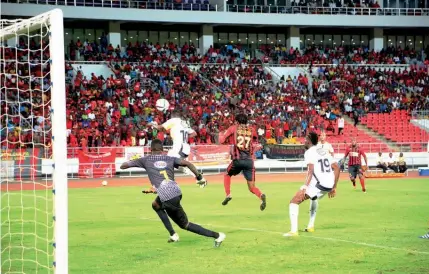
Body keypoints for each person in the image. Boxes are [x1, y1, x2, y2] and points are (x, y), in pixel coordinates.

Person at [120, 139, 226, 247]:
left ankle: (217, 235)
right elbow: (188, 163)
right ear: (162, 149)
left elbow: (123, 166)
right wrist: (199, 177)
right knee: (155, 205)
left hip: (168, 197)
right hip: (176, 191)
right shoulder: (169, 158)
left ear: (150, 149)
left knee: (185, 225)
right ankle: (173, 234)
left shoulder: (145, 160)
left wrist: (134, 160)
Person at [283, 132, 340, 237]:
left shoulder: (309, 152)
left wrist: (305, 186)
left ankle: (293, 231)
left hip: (319, 184)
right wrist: (334, 186)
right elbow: (336, 167)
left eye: (305, 139)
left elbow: (310, 170)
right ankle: (310, 226)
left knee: (294, 201)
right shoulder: (323, 150)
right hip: (329, 184)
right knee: (313, 198)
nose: (304, 141)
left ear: (309, 140)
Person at [219, 113, 267, 211]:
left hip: (238, 160)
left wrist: (221, 134)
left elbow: (222, 141)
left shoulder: (233, 128)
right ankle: (261, 195)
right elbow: (254, 141)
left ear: (237, 121)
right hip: (249, 161)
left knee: (227, 174)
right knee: (252, 187)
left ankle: (228, 194)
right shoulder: (252, 129)